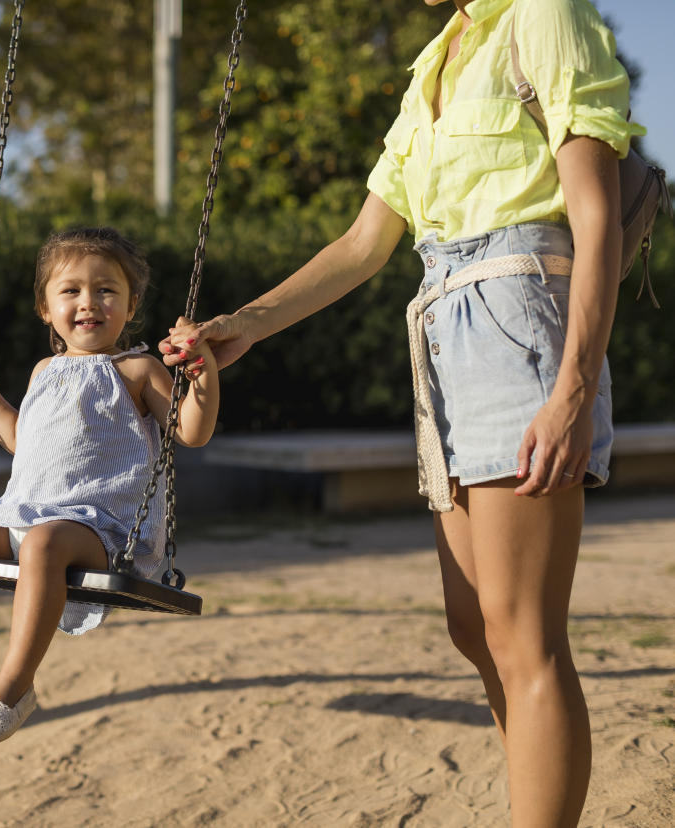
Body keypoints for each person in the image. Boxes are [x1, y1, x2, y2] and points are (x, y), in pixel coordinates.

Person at [162, 0, 641, 824]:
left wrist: (572, 391)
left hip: (519, 318)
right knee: (474, 627)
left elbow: (595, 219)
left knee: (525, 635)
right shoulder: (435, 59)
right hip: (443, 331)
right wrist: (243, 325)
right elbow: (362, 244)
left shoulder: (546, 14)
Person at [0, 226, 220, 743]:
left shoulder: (137, 369)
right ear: (46, 308)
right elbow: (21, 438)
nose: (88, 302)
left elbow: (191, 431)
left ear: (131, 304)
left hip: (101, 529)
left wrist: (201, 375)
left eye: (106, 290)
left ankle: (14, 684)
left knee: (47, 540)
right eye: (70, 290)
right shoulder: (44, 370)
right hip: (21, 513)